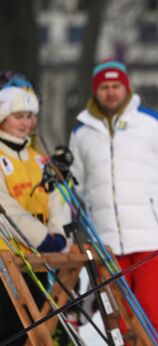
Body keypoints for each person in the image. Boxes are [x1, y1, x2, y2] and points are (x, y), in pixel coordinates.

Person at [69, 60, 158, 346]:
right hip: (107, 240)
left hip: (151, 239)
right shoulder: (81, 132)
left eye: (115, 86)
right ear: (95, 91)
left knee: (156, 312)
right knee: (118, 317)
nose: (110, 93)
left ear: (126, 88)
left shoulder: (156, 124)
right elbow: (78, 184)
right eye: (104, 87)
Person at [0, 87, 68, 345]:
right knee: (9, 326)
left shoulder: (37, 159)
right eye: (18, 116)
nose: (26, 123)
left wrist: (58, 234)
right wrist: (41, 237)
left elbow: (54, 199)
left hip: (36, 257)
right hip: (7, 254)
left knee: (35, 324)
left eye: (30, 116)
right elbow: (6, 206)